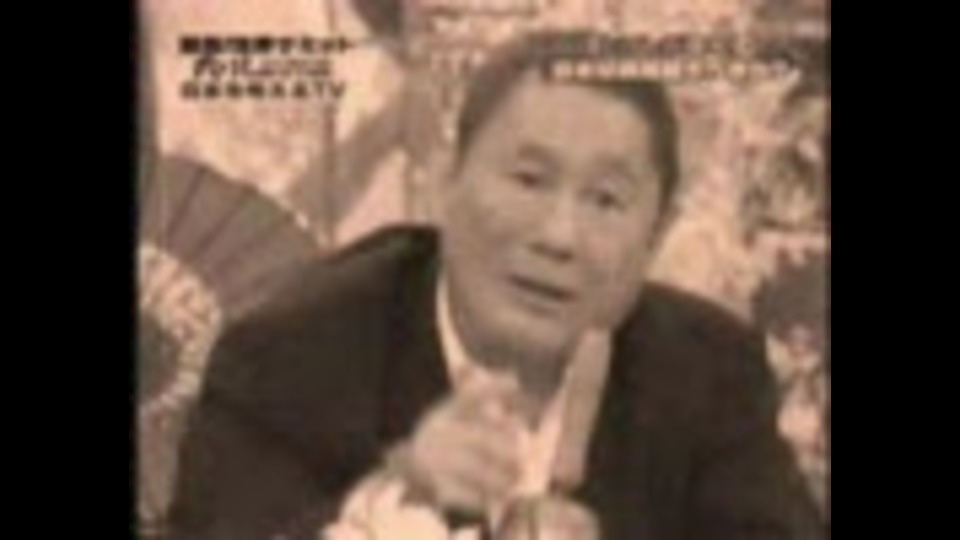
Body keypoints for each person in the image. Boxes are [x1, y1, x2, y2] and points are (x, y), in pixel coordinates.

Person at [166, 31, 825, 540]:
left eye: (606, 199)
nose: (559, 236)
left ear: (657, 235)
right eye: (529, 180)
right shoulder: (289, 359)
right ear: (442, 182)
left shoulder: (708, 369)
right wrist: (400, 503)